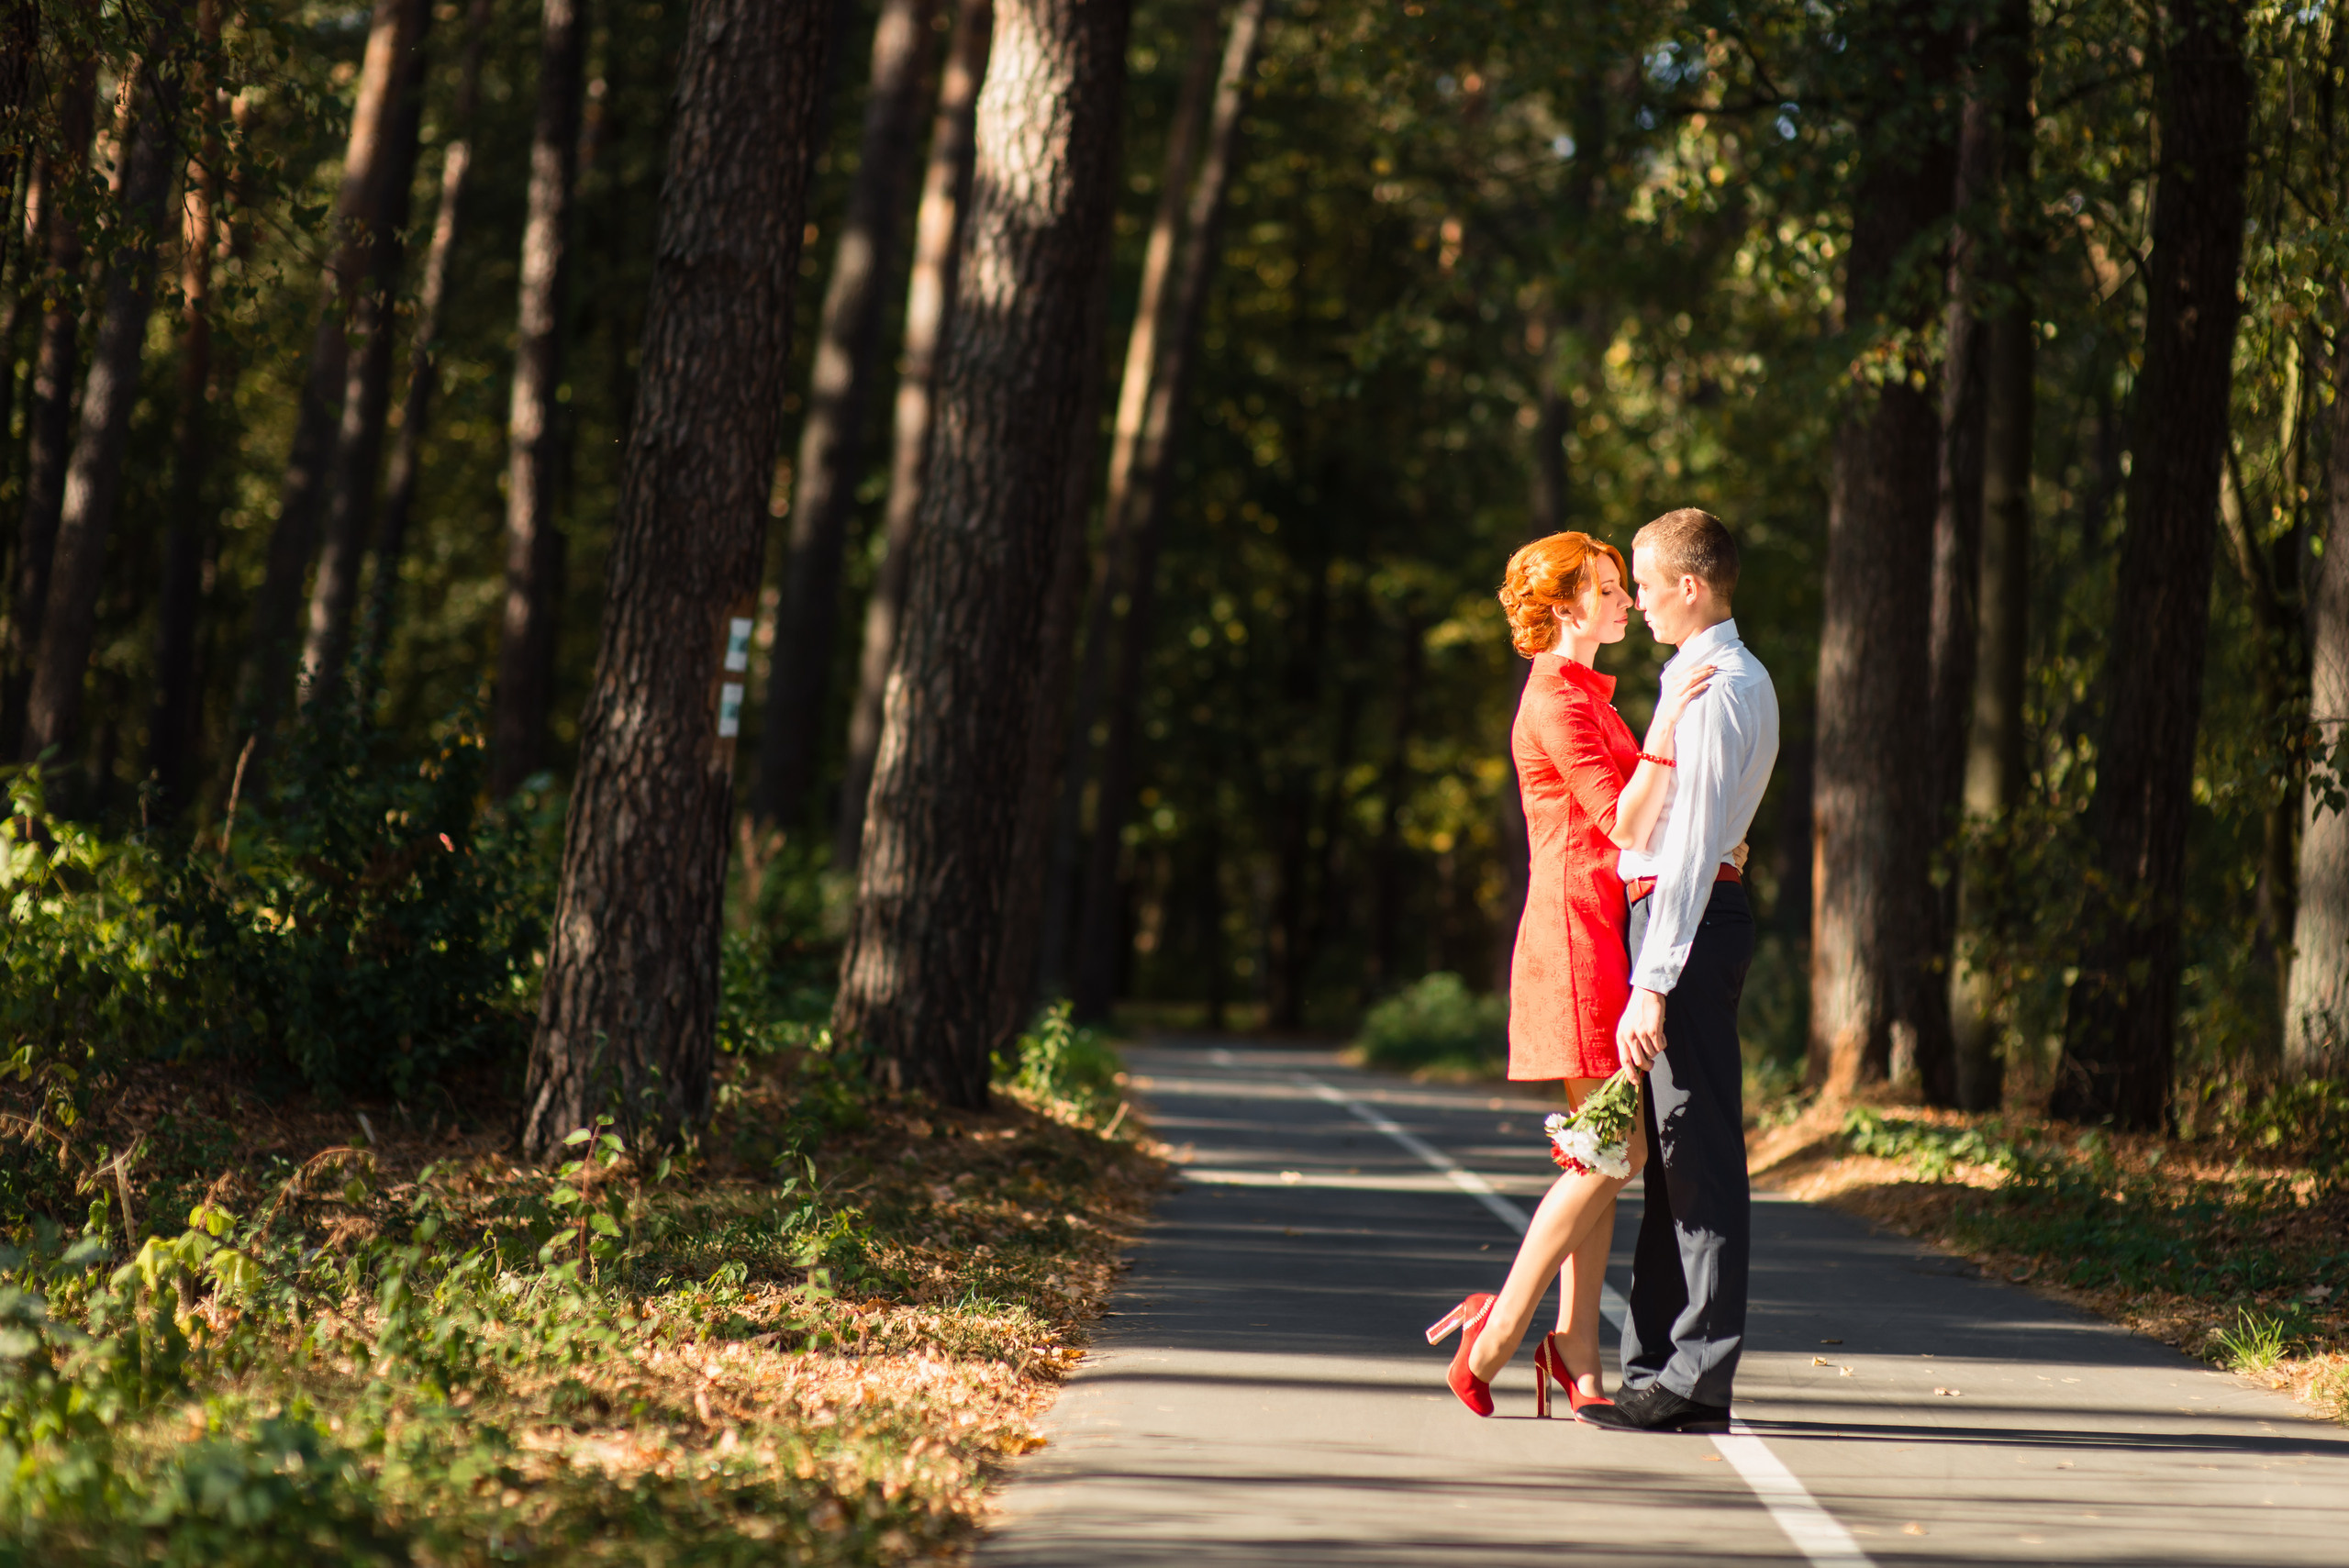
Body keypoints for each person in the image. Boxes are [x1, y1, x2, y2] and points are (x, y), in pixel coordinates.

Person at [1425, 529, 1717, 1420]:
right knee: (1614, 1146)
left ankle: (1576, 1347)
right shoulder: (1553, 697)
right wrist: (1671, 719)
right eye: (1604, 586)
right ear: (1563, 607)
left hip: (1603, 928)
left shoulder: (1589, 693)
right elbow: (1624, 821)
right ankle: (1500, 1330)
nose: (1626, 599)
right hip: (1576, 935)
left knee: (1603, 1146)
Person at [1579, 506, 1778, 1435]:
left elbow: (1693, 842)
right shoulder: (1697, 675)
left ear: (1690, 586)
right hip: (1678, 914)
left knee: (1694, 1148)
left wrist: (1652, 978)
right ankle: (1657, 1365)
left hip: (1687, 916)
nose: (1640, 602)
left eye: (1649, 586)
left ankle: (1695, 1375)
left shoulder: (1722, 685)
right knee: (1669, 1151)